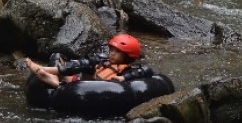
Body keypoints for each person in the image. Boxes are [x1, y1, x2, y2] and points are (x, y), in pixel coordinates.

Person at [25, 34, 154, 88]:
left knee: (86, 65)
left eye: (117, 52)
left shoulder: (128, 69)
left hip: (95, 86)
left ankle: (49, 74)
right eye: (112, 50)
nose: (112, 54)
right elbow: (83, 63)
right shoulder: (104, 58)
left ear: (127, 56)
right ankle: (52, 77)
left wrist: (124, 78)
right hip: (81, 78)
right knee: (58, 56)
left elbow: (148, 71)